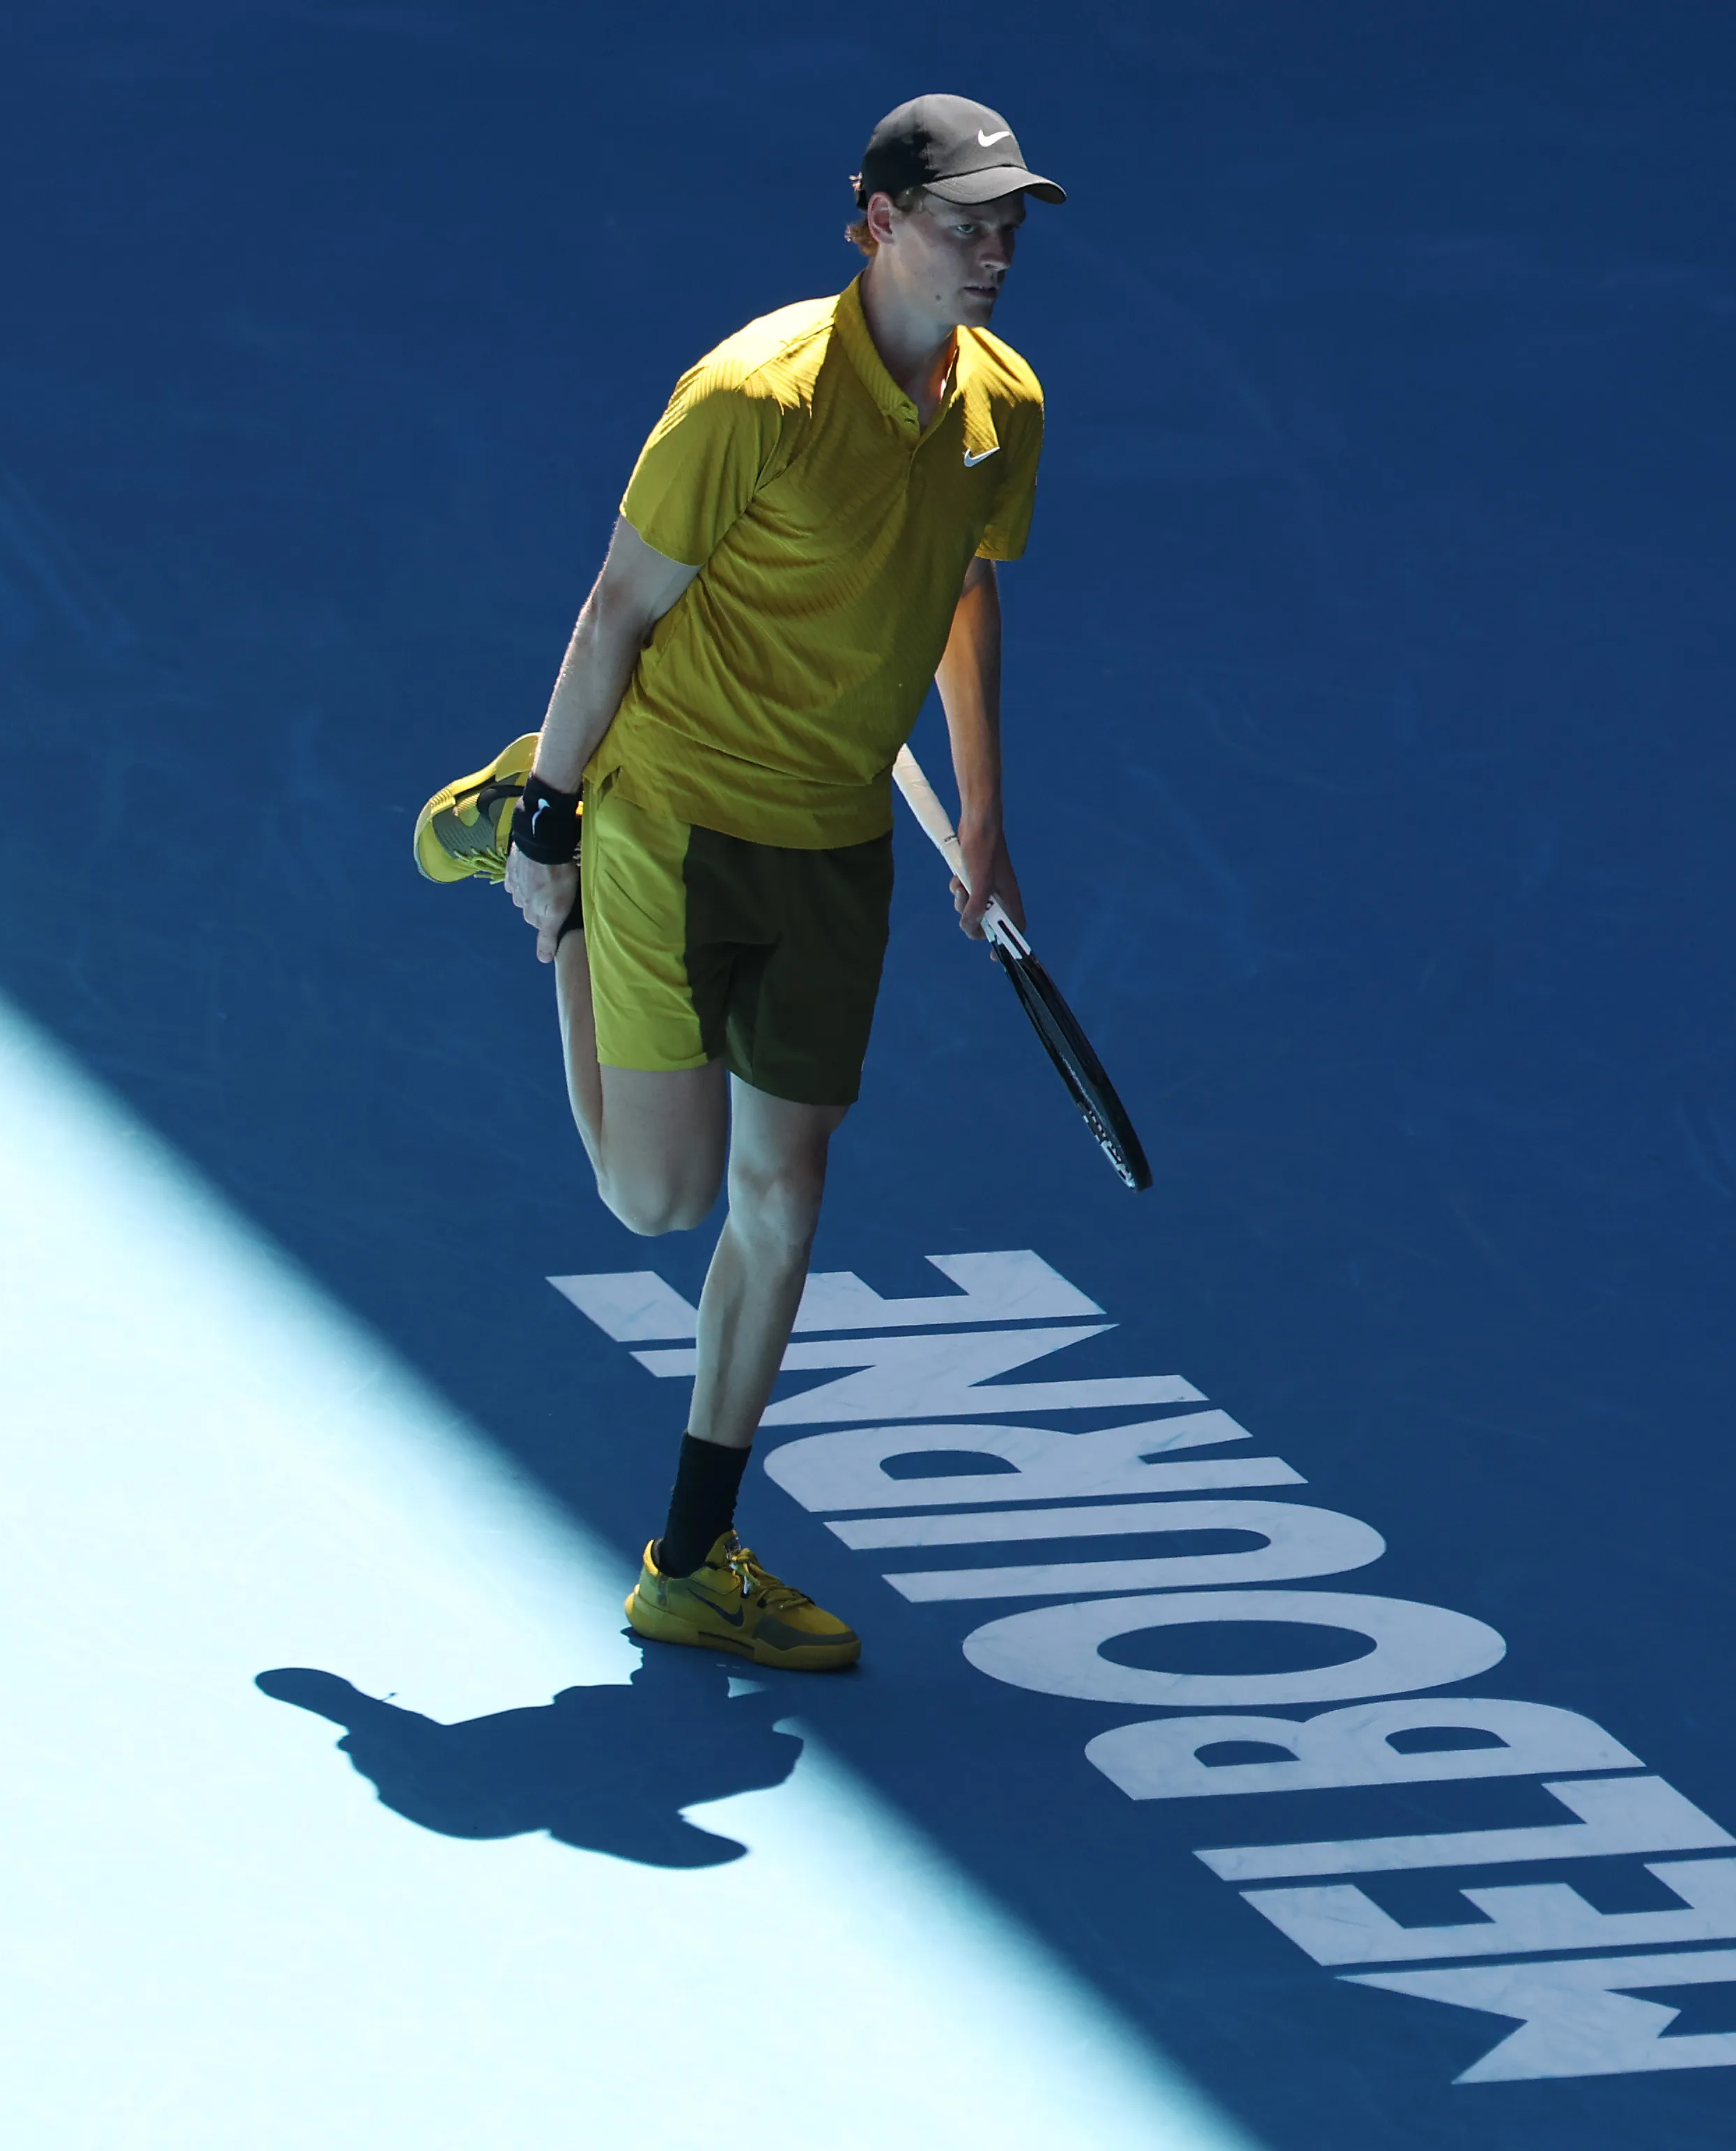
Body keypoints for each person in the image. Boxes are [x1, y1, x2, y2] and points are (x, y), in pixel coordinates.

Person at [412, 95, 1064, 1671]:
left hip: (838, 842)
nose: (990, 248)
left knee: (789, 1188)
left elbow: (966, 589)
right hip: (672, 815)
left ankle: (690, 1560)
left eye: (1009, 220)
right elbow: (618, 606)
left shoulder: (1005, 408)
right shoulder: (751, 396)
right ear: (873, 221)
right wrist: (564, 814)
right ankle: (524, 838)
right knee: (661, 1197)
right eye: (960, 217)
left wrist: (982, 817)